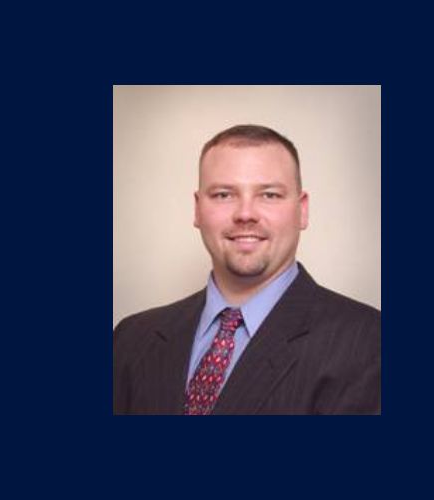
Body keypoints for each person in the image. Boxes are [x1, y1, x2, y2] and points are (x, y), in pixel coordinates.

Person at [113, 124, 380, 415]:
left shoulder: (368, 342)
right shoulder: (131, 339)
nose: (245, 214)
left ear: (302, 210)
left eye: (269, 195)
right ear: (198, 209)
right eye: (223, 195)